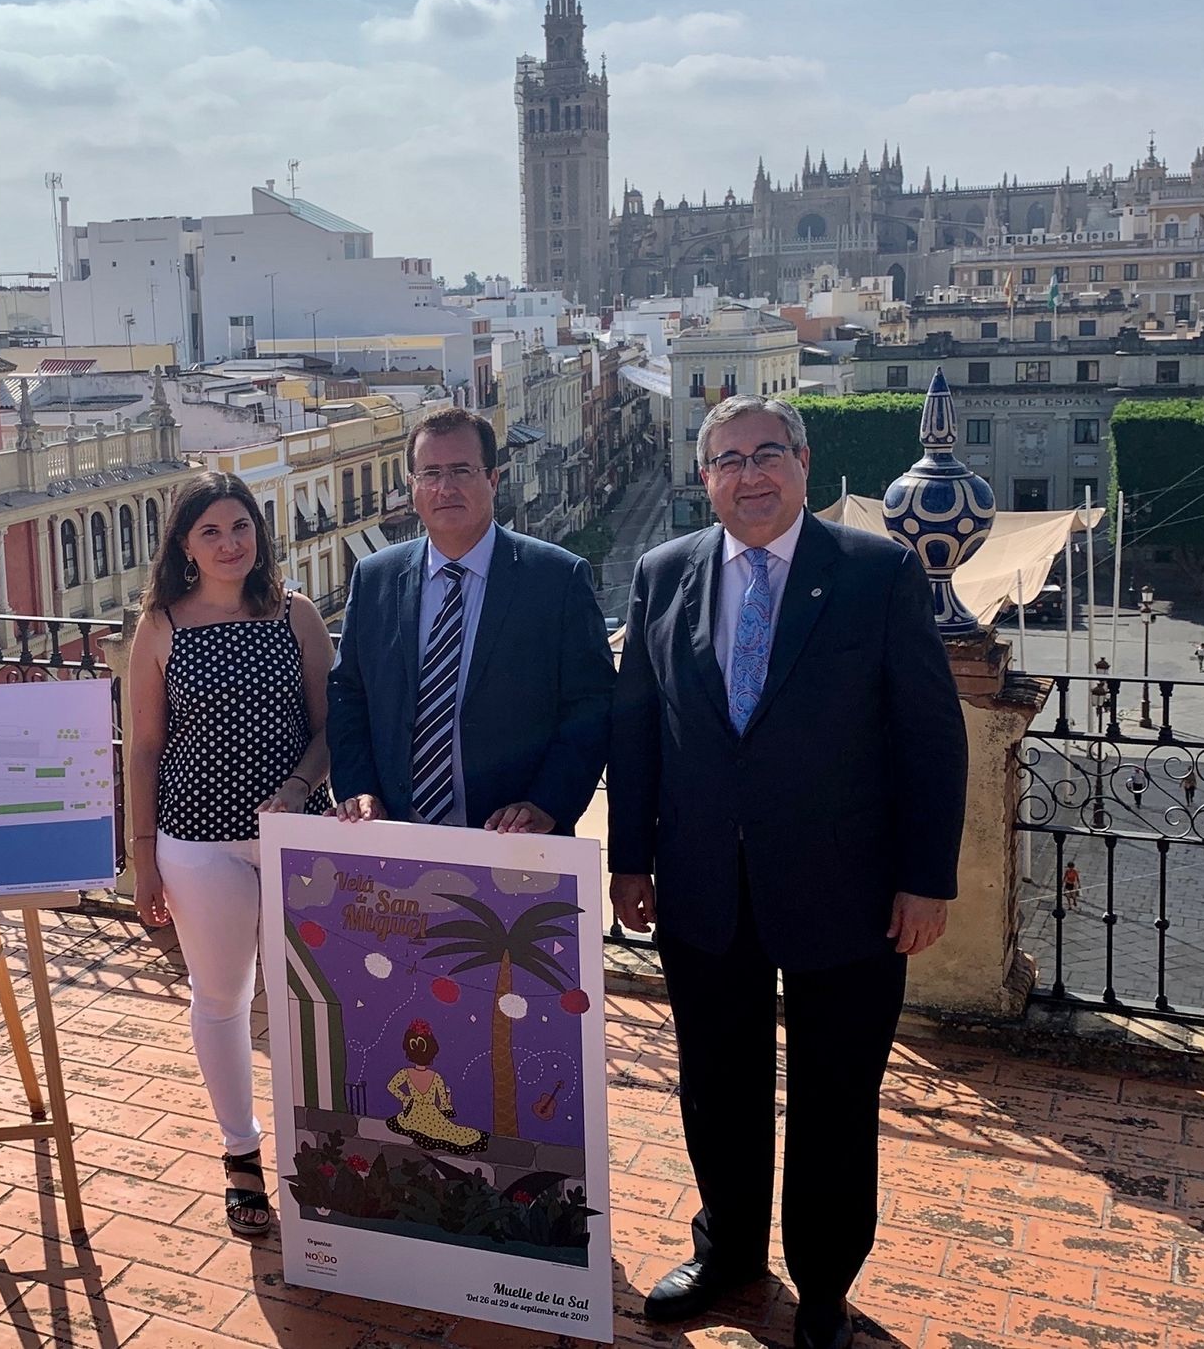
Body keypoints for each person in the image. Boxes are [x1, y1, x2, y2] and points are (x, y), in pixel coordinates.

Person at [608, 395, 967, 1348]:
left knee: (834, 1096)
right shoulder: (663, 572)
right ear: (705, 479)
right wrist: (629, 860)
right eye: (729, 460)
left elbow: (930, 737)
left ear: (804, 465)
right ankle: (727, 1250)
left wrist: (926, 878)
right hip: (702, 889)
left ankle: (823, 1285)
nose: (750, 474)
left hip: (847, 893)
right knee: (714, 1084)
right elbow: (638, 723)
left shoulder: (876, 572)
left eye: (769, 454)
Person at [127, 471, 334, 1238]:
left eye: (240, 526)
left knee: (307, 1000)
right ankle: (241, 1155)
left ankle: (321, 1149)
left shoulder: (296, 615)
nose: (229, 543)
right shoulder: (161, 627)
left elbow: (328, 726)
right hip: (196, 841)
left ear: (259, 532)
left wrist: (298, 783)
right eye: (210, 531)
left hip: (298, 835)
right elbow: (144, 750)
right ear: (184, 544)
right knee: (220, 997)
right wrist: (141, 858)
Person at [326, 407, 615, 836]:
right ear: (412, 487)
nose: (445, 488)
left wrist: (547, 804)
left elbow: (592, 704)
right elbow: (348, 693)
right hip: (396, 836)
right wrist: (359, 787)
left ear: (493, 479)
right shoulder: (375, 579)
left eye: (462, 470)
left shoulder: (556, 578)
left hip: (515, 841)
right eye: (430, 474)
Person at [385, 1019, 489, 1154]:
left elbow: (391, 1086)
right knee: (455, 1134)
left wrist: (405, 1098)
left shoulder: (406, 1073)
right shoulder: (436, 1077)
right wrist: (448, 1099)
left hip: (413, 1117)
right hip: (432, 1117)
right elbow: (444, 1106)